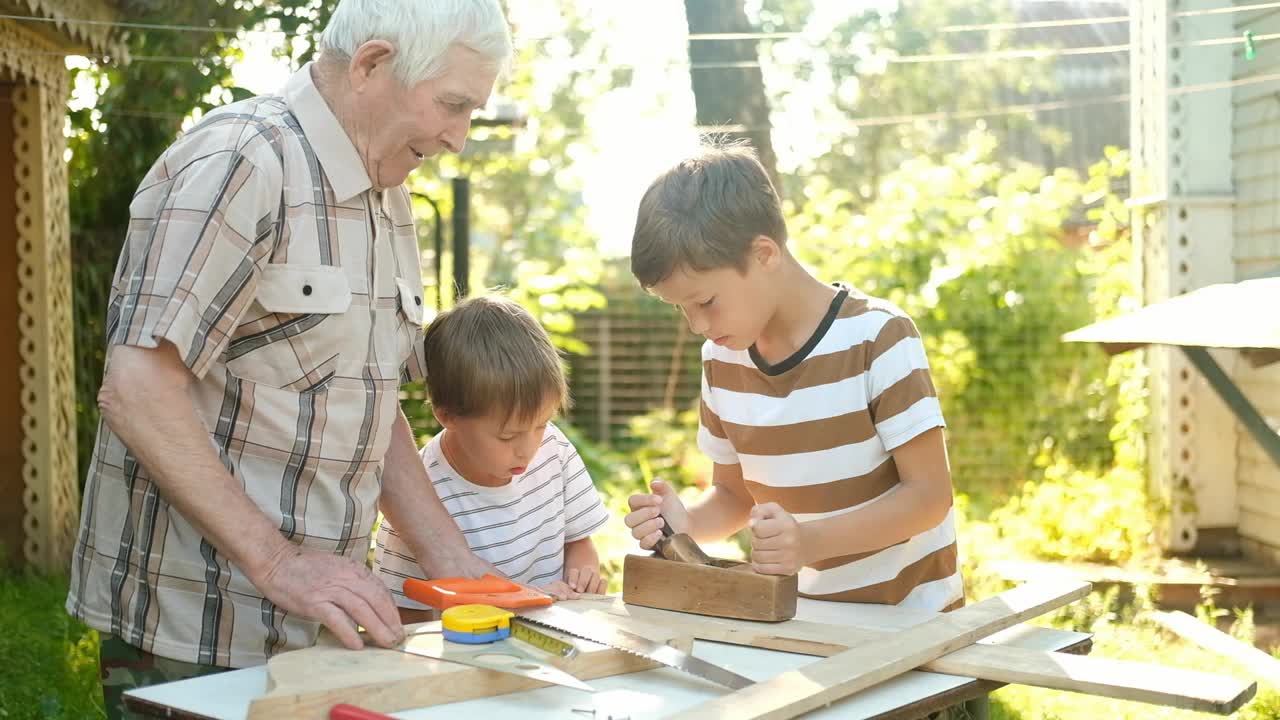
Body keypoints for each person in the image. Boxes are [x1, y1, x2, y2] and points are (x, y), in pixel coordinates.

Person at [65, 1, 513, 715]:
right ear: (370, 65)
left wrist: (453, 563)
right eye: (453, 105)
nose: (458, 138)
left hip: (316, 622)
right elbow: (137, 389)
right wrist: (280, 564)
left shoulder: (387, 191)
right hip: (193, 631)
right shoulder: (242, 160)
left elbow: (367, 400)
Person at [623, 143, 964, 611]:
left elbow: (929, 497)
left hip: (913, 628)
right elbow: (734, 496)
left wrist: (809, 541)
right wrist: (687, 523)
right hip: (806, 625)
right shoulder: (721, 361)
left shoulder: (878, 338)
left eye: (705, 302)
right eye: (680, 309)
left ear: (764, 254)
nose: (696, 325)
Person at [373, 295, 611, 623]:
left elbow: (579, 543)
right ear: (447, 416)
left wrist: (580, 577)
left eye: (540, 424)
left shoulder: (554, 450)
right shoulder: (418, 496)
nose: (527, 449)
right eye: (507, 436)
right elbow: (407, 616)